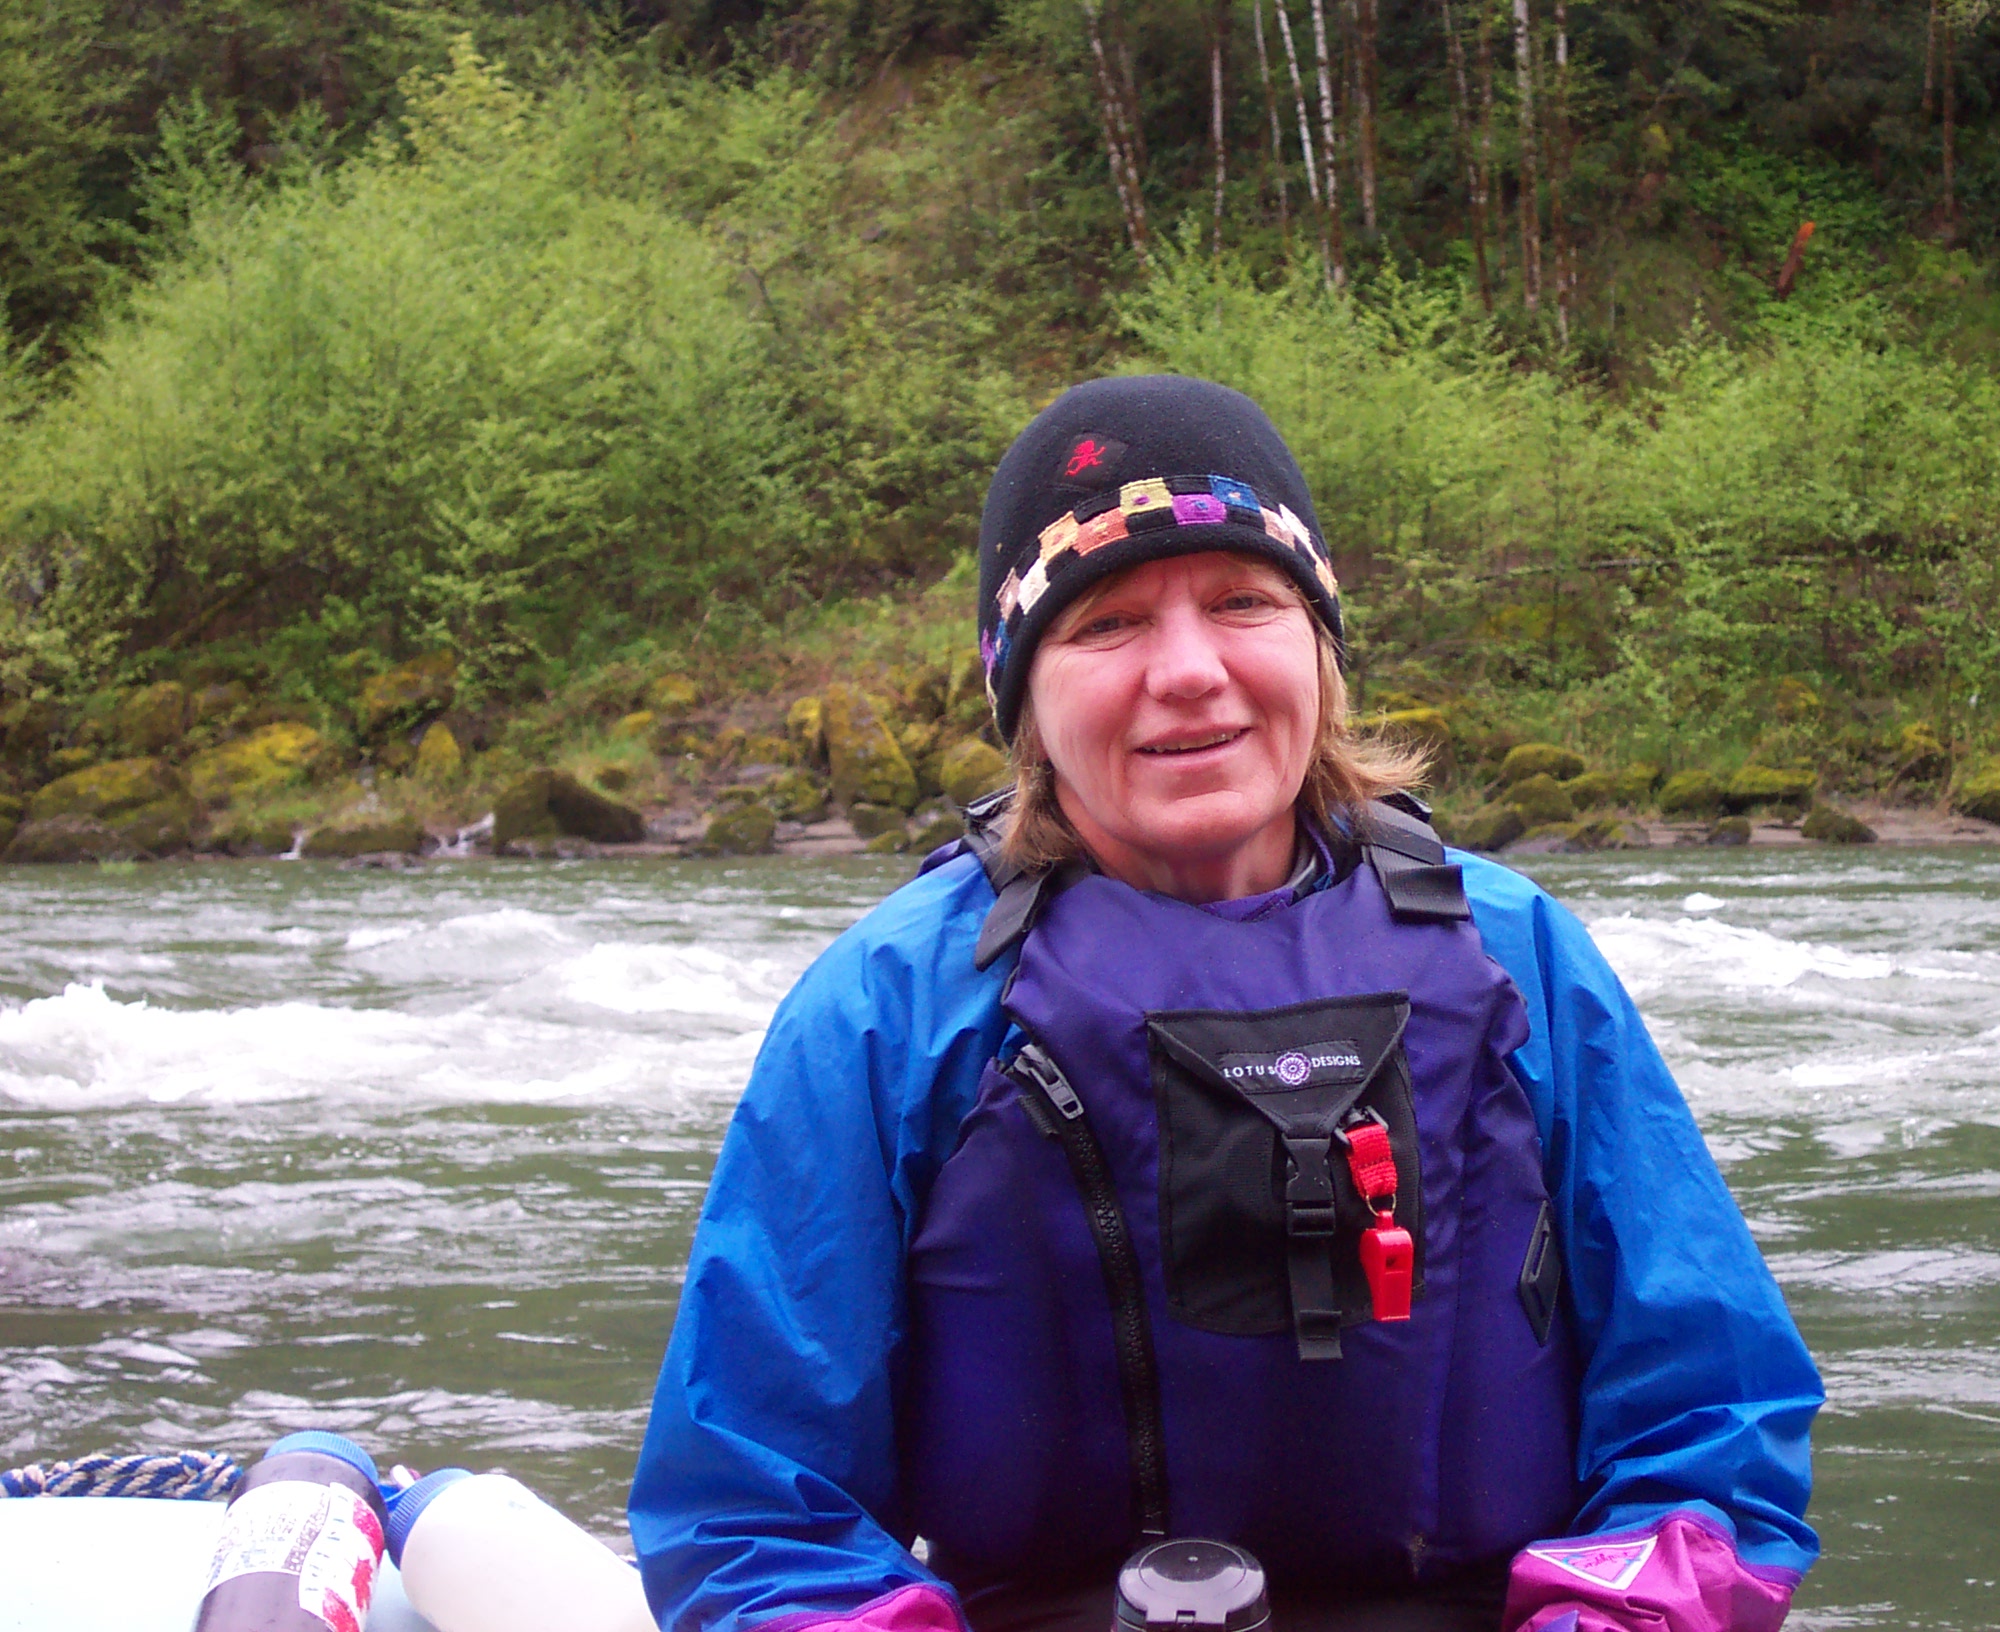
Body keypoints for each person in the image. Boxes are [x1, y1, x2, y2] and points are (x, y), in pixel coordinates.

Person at [629, 376, 1822, 1632]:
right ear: (1024, 697)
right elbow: (755, 1513)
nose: (1190, 672)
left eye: (1244, 602)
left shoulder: (1520, 957)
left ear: (1318, 645)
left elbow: (1712, 1429)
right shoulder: (890, 1007)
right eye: (1108, 624)